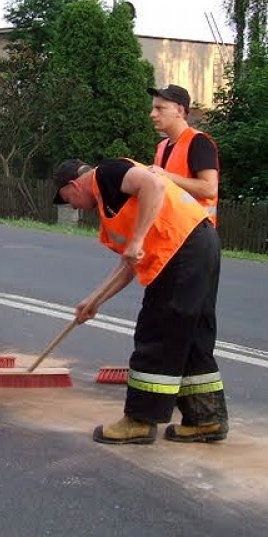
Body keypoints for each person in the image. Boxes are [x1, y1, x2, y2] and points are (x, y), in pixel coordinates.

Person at [53, 157, 228, 444]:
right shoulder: (111, 202)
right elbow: (128, 264)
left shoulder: (106, 174)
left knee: (157, 332)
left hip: (181, 248)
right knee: (192, 336)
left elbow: (154, 184)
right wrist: (95, 300)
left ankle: (140, 420)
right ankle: (206, 418)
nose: (71, 206)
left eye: (67, 198)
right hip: (197, 243)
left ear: (73, 184)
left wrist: (137, 241)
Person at [147, 84, 219, 225]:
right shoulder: (161, 146)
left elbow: (209, 189)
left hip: (196, 233)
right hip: (172, 232)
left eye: (160, 108)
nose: (152, 114)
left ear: (179, 111)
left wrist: (165, 176)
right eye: (153, 108)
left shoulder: (199, 142)